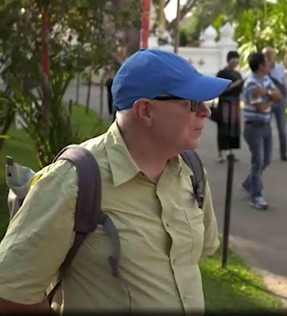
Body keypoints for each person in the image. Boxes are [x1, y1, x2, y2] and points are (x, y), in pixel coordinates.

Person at [0, 48, 230, 313]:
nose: (206, 112)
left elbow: (198, 253)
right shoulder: (73, 180)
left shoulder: (191, 171)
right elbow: (11, 291)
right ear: (145, 111)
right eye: (193, 103)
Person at [241, 52, 282, 210]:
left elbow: (279, 94)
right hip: (254, 127)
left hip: (265, 126)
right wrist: (271, 97)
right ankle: (256, 196)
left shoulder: (265, 80)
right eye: (266, 62)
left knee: (266, 160)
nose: (269, 64)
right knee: (258, 161)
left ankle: (249, 182)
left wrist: (267, 94)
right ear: (260, 66)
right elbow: (260, 107)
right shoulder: (251, 83)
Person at [215, 51, 244, 163]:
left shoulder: (238, 74)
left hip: (235, 104)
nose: (235, 64)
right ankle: (220, 153)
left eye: (237, 62)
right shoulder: (221, 73)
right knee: (223, 127)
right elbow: (220, 89)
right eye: (233, 61)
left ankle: (230, 152)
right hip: (224, 103)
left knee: (234, 128)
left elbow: (240, 90)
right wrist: (234, 85)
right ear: (228, 61)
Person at [262, 47, 287, 161]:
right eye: (266, 54)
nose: (269, 56)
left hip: (280, 101)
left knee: (282, 129)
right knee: (266, 128)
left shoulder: (280, 68)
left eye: (270, 54)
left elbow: (284, 84)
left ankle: (283, 152)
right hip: (268, 101)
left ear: (274, 55)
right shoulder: (261, 69)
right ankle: (265, 152)